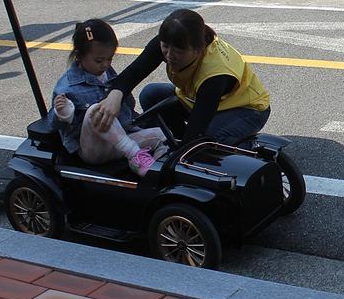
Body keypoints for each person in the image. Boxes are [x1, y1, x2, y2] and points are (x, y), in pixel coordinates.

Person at [92, 9, 270, 145]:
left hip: (246, 109)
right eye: (165, 46)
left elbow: (197, 126)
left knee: (206, 141)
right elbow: (135, 72)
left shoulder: (215, 73)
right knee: (150, 94)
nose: (170, 55)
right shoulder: (171, 41)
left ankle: (249, 150)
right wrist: (114, 96)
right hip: (199, 100)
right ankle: (177, 142)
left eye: (179, 51)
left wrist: (187, 147)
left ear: (198, 49)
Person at [47, 20, 165, 176]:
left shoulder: (106, 72)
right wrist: (64, 114)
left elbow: (128, 107)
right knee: (98, 110)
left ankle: (154, 170)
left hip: (122, 139)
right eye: (99, 61)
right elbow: (53, 124)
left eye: (110, 59)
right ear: (79, 55)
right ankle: (135, 155)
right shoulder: (68, 87)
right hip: (93, 149)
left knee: (164, 137)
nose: (105, 65)